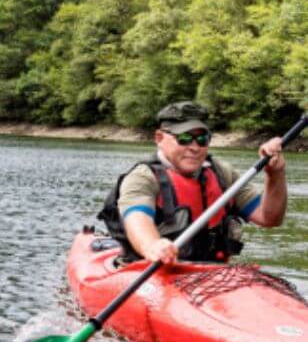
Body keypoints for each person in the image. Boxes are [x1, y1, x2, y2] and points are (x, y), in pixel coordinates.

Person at [98, 101, 287, 265]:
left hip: (210, 273)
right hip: (155, 273)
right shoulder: (143, 177)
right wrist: (153, 246)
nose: (195, 147)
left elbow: (269, 218)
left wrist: (275, 174)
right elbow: (137, 219)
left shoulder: (222, 174)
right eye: (185, 138)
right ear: (159, 138)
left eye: (202, 139)